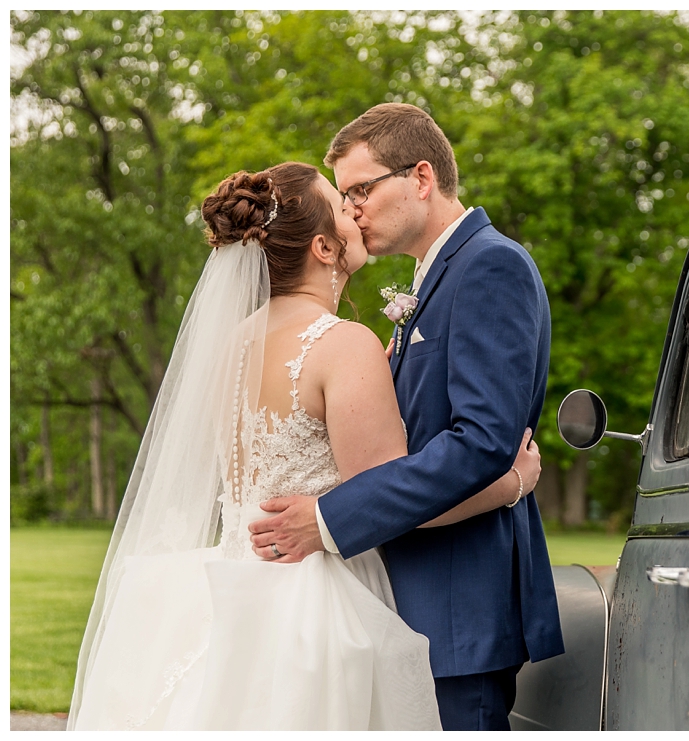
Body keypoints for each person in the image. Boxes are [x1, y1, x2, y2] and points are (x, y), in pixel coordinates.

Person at [67, 162, 542, 730]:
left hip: (237, 593)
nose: (356, 211)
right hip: (315, 604)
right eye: (343, 206)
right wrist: (512, 483)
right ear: (323, 247)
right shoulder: (343, 344)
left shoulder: (231, 350)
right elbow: (395, 503)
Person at [248, 104, 565, 730]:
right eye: (343, 196)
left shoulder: (489, 265)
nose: (352, 210)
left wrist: (331, 518)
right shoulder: (432, 280)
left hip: (455, 614)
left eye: (361, 189)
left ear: (421, 177)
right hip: (397, 607)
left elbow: (481, 443)